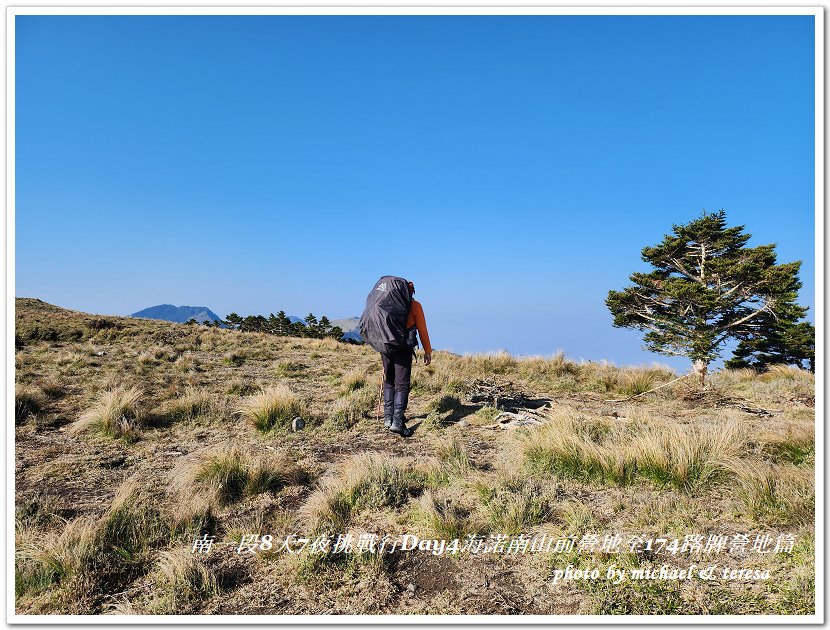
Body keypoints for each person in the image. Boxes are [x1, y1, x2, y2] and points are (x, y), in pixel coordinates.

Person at [382, 281, 432, 437]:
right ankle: (398, 422)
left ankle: (388, 418)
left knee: (389, 379)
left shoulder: (386, 303)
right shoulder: (415, 306)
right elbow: (422, 329)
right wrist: (427, 350)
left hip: (386, 346)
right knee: (402, 384)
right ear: (411, 292)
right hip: (403, 348)